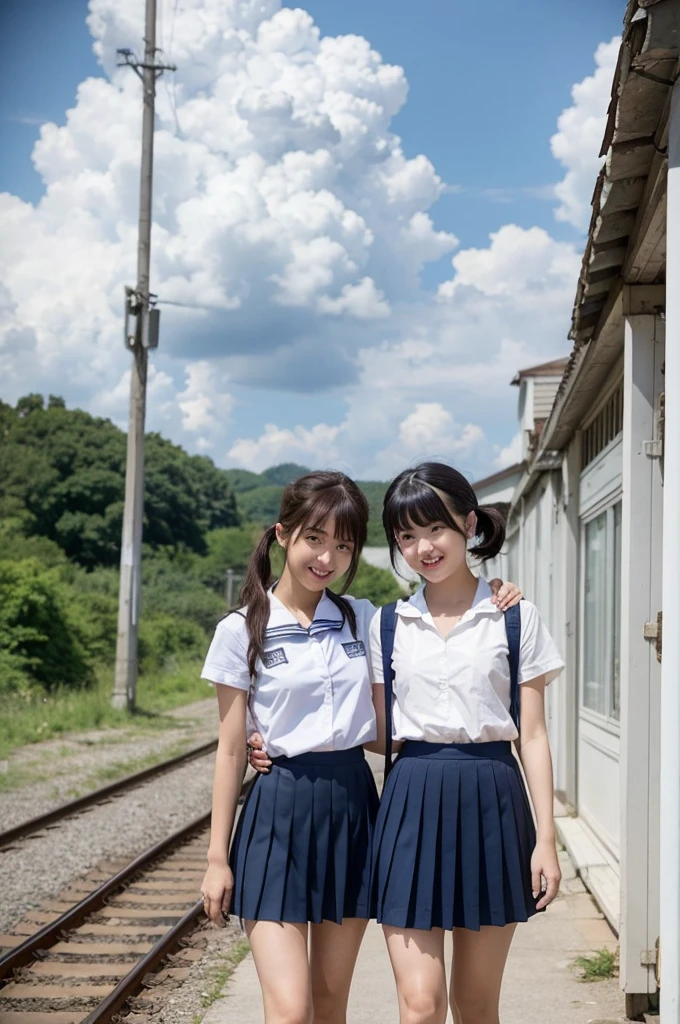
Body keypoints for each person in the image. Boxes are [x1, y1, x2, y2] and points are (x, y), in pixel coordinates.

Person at [201, 469, 522, 1024]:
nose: (327, 558)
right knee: (290, 1009)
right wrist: (215, 857)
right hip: (278, 809)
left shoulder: (364, 620)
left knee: (330, 1006)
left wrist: (493, 593)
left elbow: (394, 721)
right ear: (283, 536)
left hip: (352, 808)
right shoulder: (242, 629)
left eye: (343, 545)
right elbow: (230, 749)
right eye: (314, 539)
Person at [369, 462, 564, 1024]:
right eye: (406, 536)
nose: (422, 547)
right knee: (421, 1004)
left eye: (434, 529)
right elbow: (370, 730)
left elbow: (533, 733)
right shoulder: (386, 624)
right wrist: (267, 743)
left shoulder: (514, 617)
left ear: (469, 524)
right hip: (411, 801)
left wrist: (546, 839)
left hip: (493, 801)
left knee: (476, 1005)